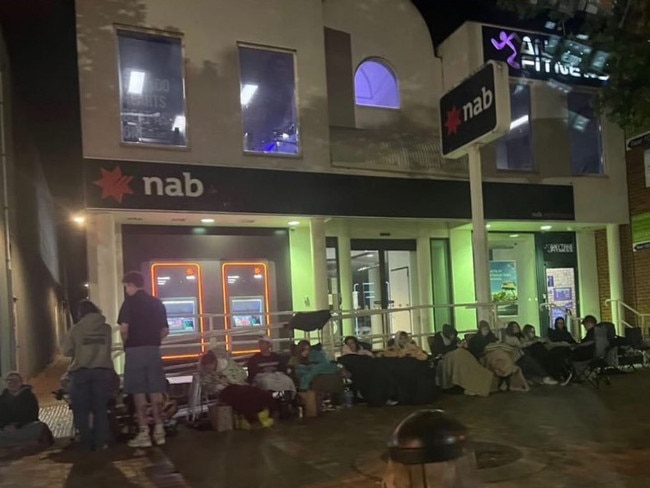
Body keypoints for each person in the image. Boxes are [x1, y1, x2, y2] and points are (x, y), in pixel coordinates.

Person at [117, 271, 169, 448]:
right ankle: (160, 431)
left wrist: (127, 344)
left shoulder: (129, 303)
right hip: (153, 350)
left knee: (139, 392)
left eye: (126, 286)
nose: (126, 290)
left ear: (131, 285)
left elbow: (124, 329)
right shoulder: (157, 303)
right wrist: (153, 341)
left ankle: (144, 432)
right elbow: (165, 330)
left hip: (134, 351)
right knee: (155, 391)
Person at [62, 300, 118, 450]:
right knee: (100, 408)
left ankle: (86, 442)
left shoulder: (76, 329)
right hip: (103, 372)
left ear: (81, 313)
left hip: (81, 373)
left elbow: (66, 351)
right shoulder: (106, 329)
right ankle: (101, 442)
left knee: (81, 409)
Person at [200, 349, 275, 429]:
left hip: (238, 385)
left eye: (209, 366)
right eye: (207, 367)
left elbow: (241, 374)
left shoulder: (228, 364)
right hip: (224, 391)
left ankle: (261, 413)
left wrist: (229, 379)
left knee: (254, 392)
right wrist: (217, 385)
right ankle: (256, 416)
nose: (209, 369)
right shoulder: (205, 373)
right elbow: (206, 385)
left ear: (214, 362)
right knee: (240, 398)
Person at [432, 324, 497, 396]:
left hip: (461, 355)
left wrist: (463, 346)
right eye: (451, 335)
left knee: (471, 364)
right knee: (462, 361)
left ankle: (482, 381)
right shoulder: (438, 338)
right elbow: (440, 351)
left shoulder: (455, 339)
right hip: (449, 357)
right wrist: (455, 347)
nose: (452, 337)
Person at [0, 372, 52, 450]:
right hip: (7, 430)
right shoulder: (2, 398)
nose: (12, 383)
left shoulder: (29, 396)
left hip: (25, 427)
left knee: (40, 426)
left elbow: (33, 416)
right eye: (9, 381)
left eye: (15, 381)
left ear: (20, 383)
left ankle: (14, 444)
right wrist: (4, 426)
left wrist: (17, 425)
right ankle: (24, 444)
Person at [504, 321, 559, 385]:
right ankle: (545, 376)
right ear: (510, 328)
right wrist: (535, 341)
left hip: (524, 354)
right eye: (514, 327)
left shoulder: (520, 336)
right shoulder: (510, 337)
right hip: (517, 358)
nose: (517, 328)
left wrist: (538, 340)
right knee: (530, 357)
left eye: (517, 326)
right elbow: (521, 345)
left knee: (538, 348)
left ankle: (549, 373)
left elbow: (529, 341)